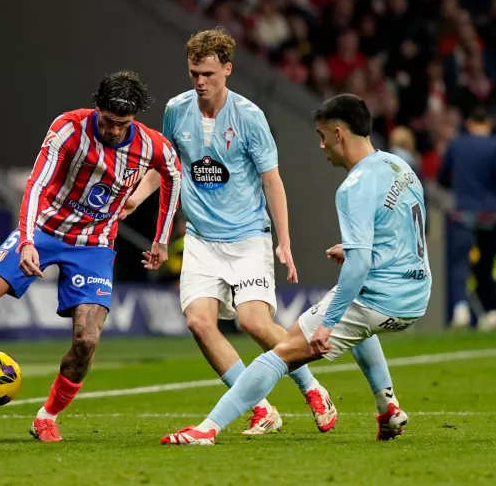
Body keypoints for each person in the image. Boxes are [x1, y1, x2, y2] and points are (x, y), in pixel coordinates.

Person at [0, 70, 182, 442]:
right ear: (97, 108)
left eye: (121, 124)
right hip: (43, 230)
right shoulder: (69, 129)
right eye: (107, 121)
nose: (112, 130)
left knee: (87, 341)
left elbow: (173, 174)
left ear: (134, 118)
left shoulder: (151, 145)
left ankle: (47, 416)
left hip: (93, 245)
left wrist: (160, 238)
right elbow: (36, 185)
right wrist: (26, 241)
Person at [161, 93, 426, 445]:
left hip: (382, 299)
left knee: (281, 353)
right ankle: (388, 407)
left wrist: (328, 323)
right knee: (355, 311)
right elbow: (401, 234)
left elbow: (360, 265)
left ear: (338, 133)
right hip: (416, 296)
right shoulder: (398, 167)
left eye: (321, 136)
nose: (321, 146)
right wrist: (352, 251)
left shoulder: (353, 187)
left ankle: (207, 429)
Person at [121, 28, 335, 434]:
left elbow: (273, 181)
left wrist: (283, 240)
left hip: (248, 236)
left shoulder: (250, 118)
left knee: (254, 322)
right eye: (193, 73)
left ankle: (312, 388)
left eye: (208, 74)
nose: (200, 82)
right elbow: (166, 168)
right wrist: (136, 197)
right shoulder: (175, 110)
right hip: (202, 239)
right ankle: (260, 410)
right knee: (199, 322)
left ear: (227, 70)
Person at [439, 106, 496, 330]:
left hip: (462, 212)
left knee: (459, 263)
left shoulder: (457, 144)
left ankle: (460, 307)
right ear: (489, 124)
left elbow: (444, 174)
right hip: (490, 214)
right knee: (485, 265)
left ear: (469, 123)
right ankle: (489, 311)